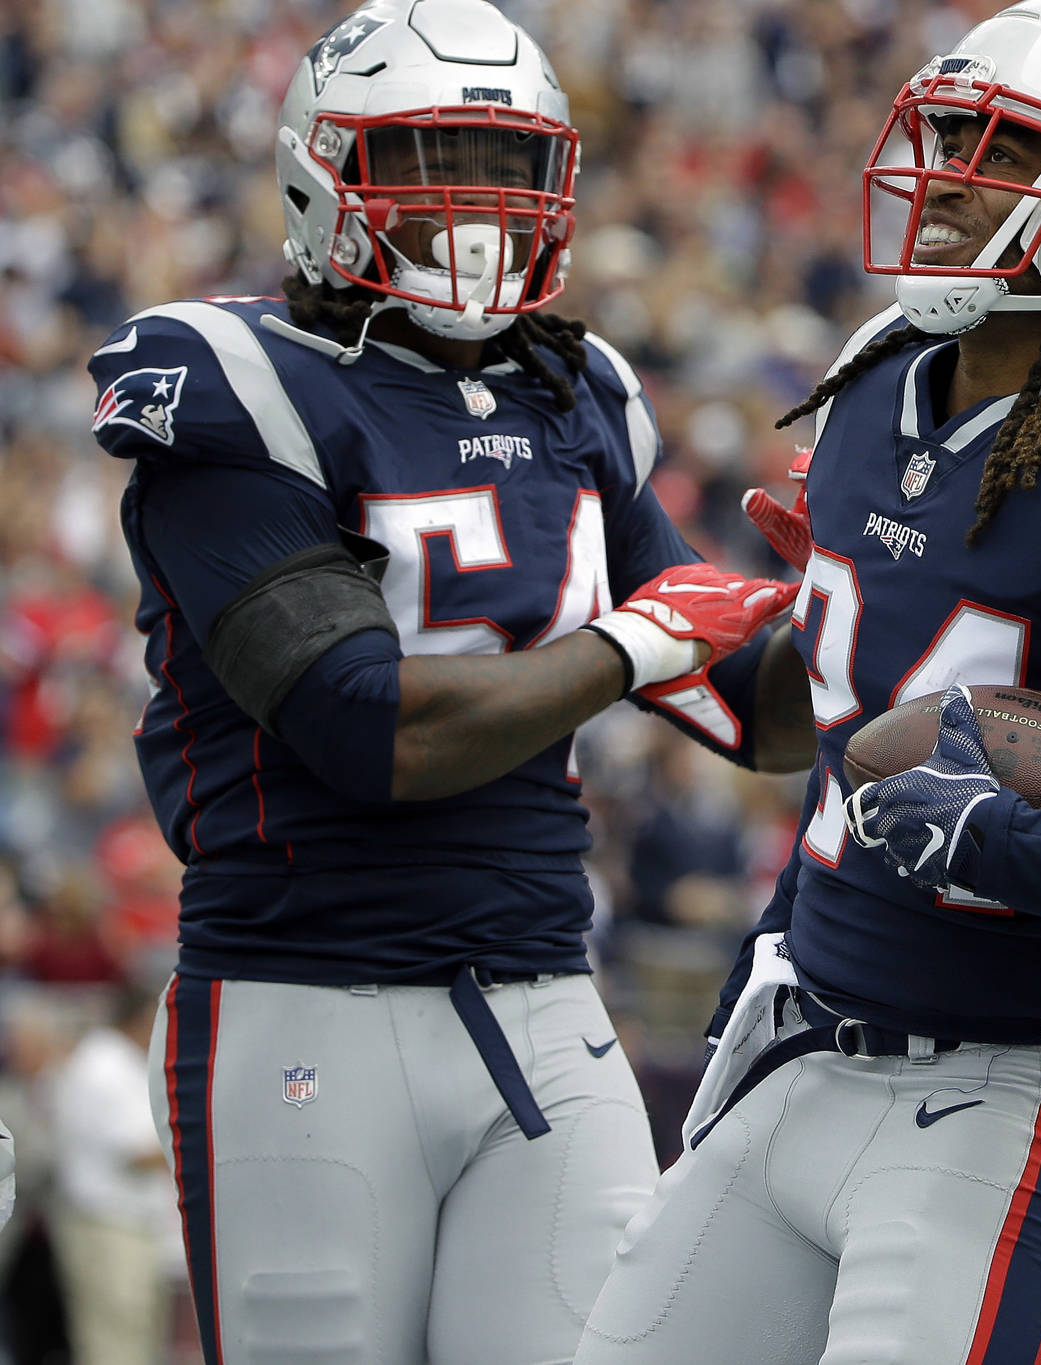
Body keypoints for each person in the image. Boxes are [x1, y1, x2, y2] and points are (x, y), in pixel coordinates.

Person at [574, 3, 1041, 1362]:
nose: (946, 173)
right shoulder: (880, 381)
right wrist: (652, 633)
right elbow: (826, 735)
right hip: (798, 1044)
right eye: (953, 133)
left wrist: (998, 836)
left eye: (1003, 151)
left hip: (1001, 1098)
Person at [85, 4, 809, 1363]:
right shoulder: (238, 390)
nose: (472, 204)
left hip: (544, 999)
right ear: (324, 173)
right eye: (426, 156)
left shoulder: (575, 391)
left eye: (501, 162)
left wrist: (859, 607)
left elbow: (755, 716)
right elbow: (367, 728)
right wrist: (629, 647)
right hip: (307, 999)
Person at [46, 982, 181, 1365]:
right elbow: (140, 1153)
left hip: (128, 1223)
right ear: (143, 1018)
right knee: (115, 1343)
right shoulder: (104, 1065)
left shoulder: (121, 1061)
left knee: (135, 1338)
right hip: (107, 1224)